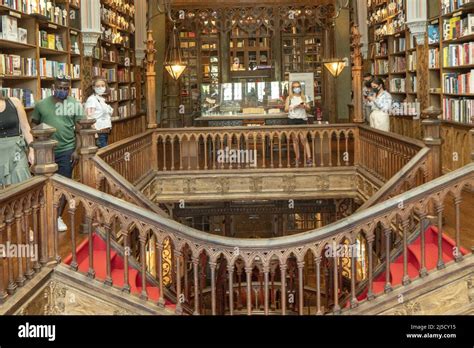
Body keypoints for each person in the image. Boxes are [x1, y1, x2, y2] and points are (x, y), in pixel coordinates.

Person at [31, 76, 84, 232]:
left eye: (66, 88)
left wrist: (77, 150)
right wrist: (36, 142)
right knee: (43, 184)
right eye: (60, 88)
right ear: (53, 87)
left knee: (64, 185)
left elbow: (81, 129)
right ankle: (44, 215)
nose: (62, 91)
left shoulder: (74, 104)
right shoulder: (41, 104)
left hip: (67, 150)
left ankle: (57, 217)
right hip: (45, 151)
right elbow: (34, 122)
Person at [0, 95, 34, 187]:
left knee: (22, 182)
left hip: (16, 150)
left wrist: (32, 150)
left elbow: (25, 127)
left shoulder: (15, 102)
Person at [285, 81, 312, 166]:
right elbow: (285, 109)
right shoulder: (289, 98)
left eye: (298, 86)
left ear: (300, 87)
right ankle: (297, 158)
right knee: (295, 140)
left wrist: (304, 106)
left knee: (304, 139)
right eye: (295, 87)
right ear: (292, 89)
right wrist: (292, 106)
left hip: (302, 119)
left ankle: (309, 158)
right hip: (292, 120)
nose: (297, 88)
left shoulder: (305, 97)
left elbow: (309, 109)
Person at [85, 77, 113, 148]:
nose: (101, 88)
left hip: (105, 132)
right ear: (93, 87)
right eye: (98, 86)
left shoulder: (101, 99)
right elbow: (89, 117)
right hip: (99, 133)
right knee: (104, 154)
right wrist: (95, 134)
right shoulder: (92, 99)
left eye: (103, 86)